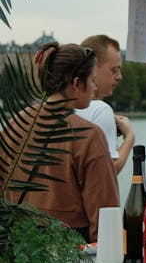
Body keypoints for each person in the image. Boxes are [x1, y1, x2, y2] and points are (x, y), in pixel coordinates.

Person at [2, 42, 119, 241]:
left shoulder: (15, 124)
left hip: (18, 249)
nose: (94, 87)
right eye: (91, 80)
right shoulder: (88, 135)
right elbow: (105, 214)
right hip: (70, 254)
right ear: (75, 84)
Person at [77, 34, 135, 175]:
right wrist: (130, 138)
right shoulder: (100, 109)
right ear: (94, 68)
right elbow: (108, 172)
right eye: (114, 70)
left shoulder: (65, 106)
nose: (119, 76)